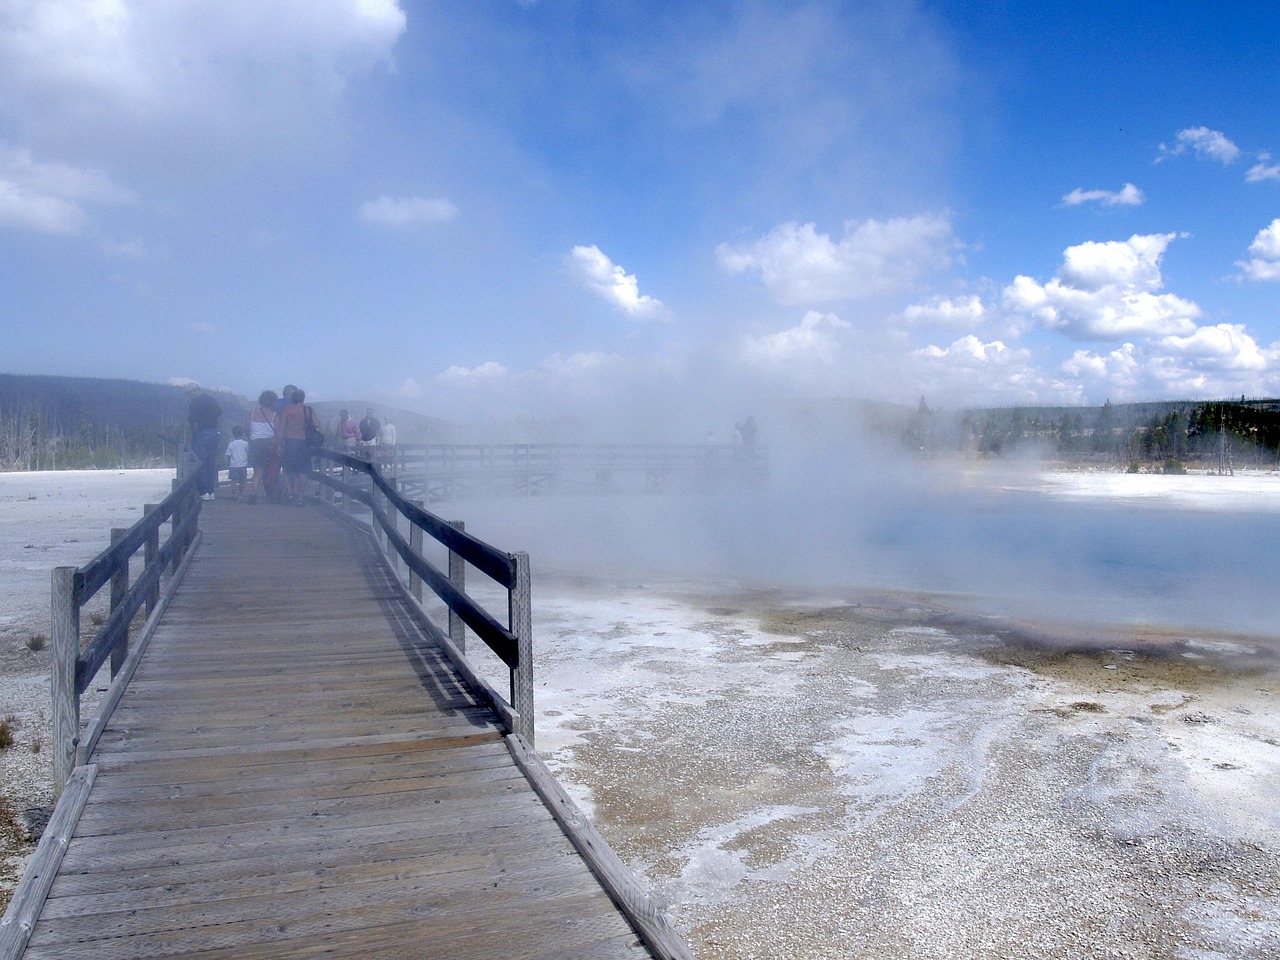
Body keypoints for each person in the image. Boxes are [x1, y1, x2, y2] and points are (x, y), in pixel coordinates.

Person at [276, 388, 321, 506]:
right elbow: (317, 424)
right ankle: (300, 498)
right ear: (303, 398)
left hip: (289, 442)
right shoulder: (308, 410)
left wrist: (279, 445)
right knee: (302, 471)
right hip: (303, 443)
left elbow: (281, 428)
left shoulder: (287, 410)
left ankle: (290, 494)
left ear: (292, 399)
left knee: (286, 470)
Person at [187, 392, 222, 501]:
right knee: (211, 464)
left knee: (200, 463)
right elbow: (218, 417)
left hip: (202, 433)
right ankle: (211, 491)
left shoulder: (195, 402)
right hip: (214, 432)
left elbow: (194, 422)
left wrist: (194, 435)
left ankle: (204, 491)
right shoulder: (211, 399)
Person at [245, 390, 277, 504]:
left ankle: (254, 493)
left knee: (258, 470)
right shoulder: (275, 414)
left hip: (255, 443)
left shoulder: (252, 413)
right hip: (269, 444)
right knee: (270, 470)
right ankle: (271, 494)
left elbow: (247, 429)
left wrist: (251, 439)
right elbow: (278, 431)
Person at [225, 426, 249, 499]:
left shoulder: (231, 444)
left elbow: (228, 455)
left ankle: (233, 489)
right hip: (243, 464)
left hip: (233, 464)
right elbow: (248, 452)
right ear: (242, 433)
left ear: (233, 434)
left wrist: (229, 462)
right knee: (242, 480)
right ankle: (240, 494)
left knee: (233, 479)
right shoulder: (245, 443)